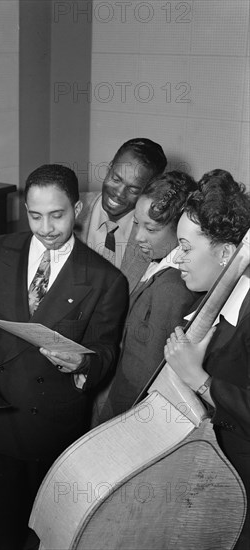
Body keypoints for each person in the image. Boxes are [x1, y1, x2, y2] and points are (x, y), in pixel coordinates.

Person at [0, 164, 129, 549]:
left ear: (77, 210)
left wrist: (82, 363)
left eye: (57, 215)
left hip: (50, 427)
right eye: (35, 215)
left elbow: (106, 352)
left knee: (46, 534)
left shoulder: (105, 279)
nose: (46, 227)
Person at [164, 170, 250, 550]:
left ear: (226, 254)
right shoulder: (205, 301)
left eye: (185, 246)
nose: (175, 257)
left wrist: (199, 380)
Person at [94, 171, 202, 424]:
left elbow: (144, 374)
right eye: (136, 224)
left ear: (180, 229)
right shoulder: (159, 264)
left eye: (150, 228)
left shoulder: (173, 289)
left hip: (130, 414)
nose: (139, 236)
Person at [75, 137, 167, 292]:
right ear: (109, 167)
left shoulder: (158, 234)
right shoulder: (72, 210)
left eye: (133, 190)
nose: (118, 193)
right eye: (115, 179)